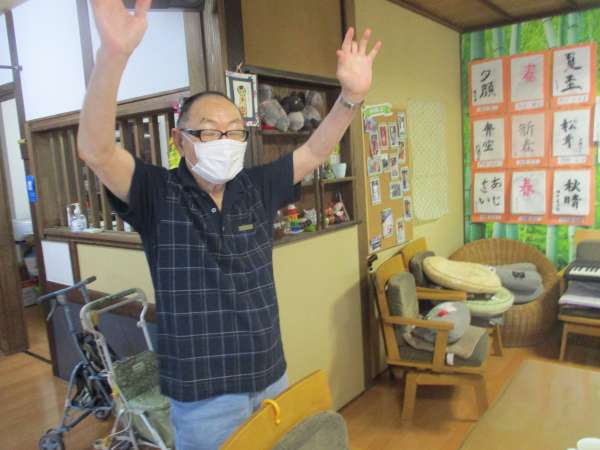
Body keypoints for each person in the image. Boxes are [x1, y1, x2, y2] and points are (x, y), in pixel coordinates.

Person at [78, 1, 381, 448]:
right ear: (180, 140)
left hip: (269, 374)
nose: (225, 141)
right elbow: (97, 150)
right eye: (208, 131)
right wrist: (113, 54)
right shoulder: (157, 193)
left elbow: (316, 150)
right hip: (203, 396)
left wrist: (350, 98)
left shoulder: (256, 187)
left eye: (235, 131)